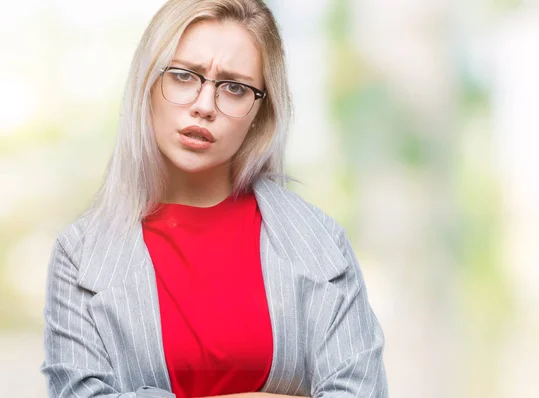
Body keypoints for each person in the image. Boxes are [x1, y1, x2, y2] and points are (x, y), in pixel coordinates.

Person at [40, 0, 388, 397]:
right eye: (185, 76)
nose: (204, 106)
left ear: (260, 110)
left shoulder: (322, 242)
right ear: (148, 82)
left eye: (235, 88)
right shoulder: (78, 255)